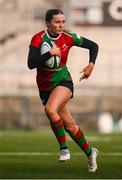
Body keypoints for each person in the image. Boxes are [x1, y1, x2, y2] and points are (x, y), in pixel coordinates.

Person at [27, 9, 99, 172]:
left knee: (50, 109)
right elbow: (31, 63)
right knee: (70, 126)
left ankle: (64, 149)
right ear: (47, 23)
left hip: (64, 81)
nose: (61, 25)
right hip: (45, 87)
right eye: (57, 22)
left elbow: (94, 46)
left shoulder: (69, 37)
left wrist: (91, 65)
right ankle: (90, 153)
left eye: (63, 22)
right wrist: (49, 54)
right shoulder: (38, 39)